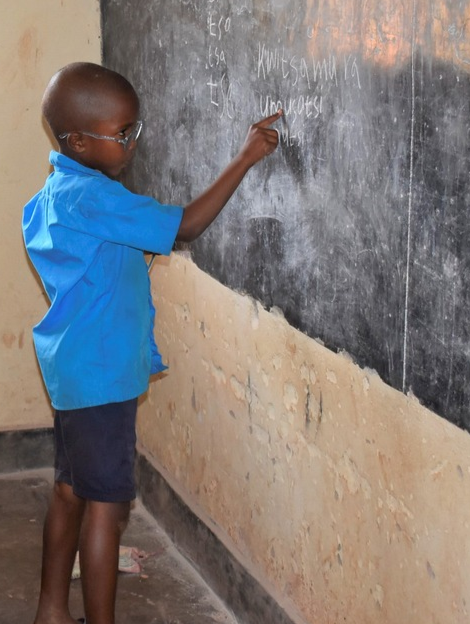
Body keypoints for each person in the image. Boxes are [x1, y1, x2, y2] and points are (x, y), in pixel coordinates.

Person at [21, 62, 281, 624]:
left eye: (135, 127)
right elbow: (185, 227)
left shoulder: (54, 193)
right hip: (102, 372)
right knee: (107, 508)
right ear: (79, 141)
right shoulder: (96, 199)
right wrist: (245, 157)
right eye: (123, 134)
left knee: (71, 490)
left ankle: (50, 610)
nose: (134, 142)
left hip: (72, 367)